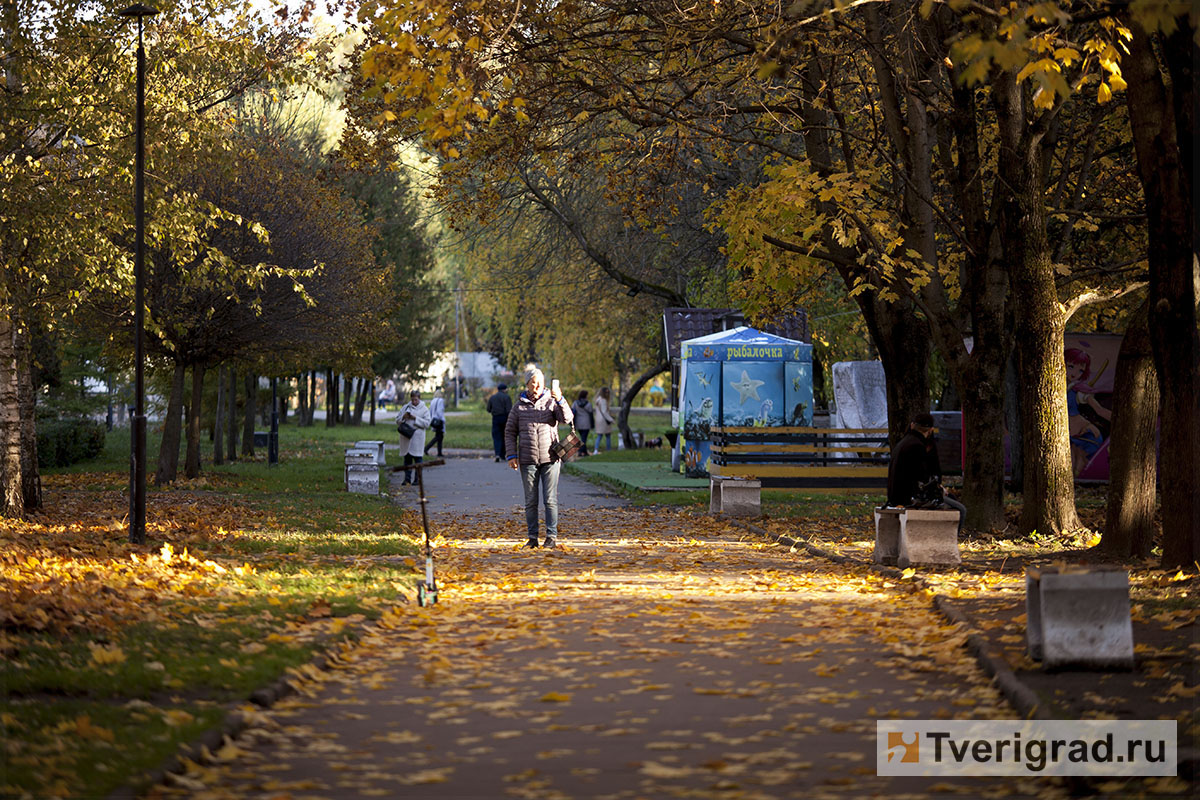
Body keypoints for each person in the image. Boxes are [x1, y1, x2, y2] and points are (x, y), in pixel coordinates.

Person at [505, 368, 572, 548]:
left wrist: (560, 399)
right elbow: (510, 431)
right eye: (532, 382)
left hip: (550, 458)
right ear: (527, 384)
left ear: (544, 383)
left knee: (550, 499)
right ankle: (532, 538)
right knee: (530, 501)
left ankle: (551, 536)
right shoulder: (519, 406)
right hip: (527, 460)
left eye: (539, 382)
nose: (536, 386)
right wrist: (511, 455)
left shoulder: (551, 401)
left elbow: (567, 418)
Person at [886, 412, 966, 533]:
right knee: (960, 509)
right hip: (908, 499)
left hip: (895, 496)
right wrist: (940, 490)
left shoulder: (903, 443)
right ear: (930, 430)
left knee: (951, 500)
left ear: (912, 425)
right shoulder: (917, 446)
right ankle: (949, 541)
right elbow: (922, 478)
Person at [397, 390, 432, 485]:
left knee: (418, 460)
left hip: (418, 438)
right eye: (412, 399)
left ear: (419, 399)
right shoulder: (405, 407)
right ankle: (407, 479)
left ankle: (417, 479)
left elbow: (427, 423)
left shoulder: (424, 409)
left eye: (416, 400)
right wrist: (403, 417)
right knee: (407, 460)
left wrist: (415, 418)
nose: (414, 402)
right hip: (406, 437)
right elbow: (397, 420)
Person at [486, 383, 513, 462]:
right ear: (505, 389)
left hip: (495, 418)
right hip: (505, 418)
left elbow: (488, 409)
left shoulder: (492, 397)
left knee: (496, 437)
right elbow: (509, 410)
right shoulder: (507, 397)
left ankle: (497, 454)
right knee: (505, 436)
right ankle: (503, 454)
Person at [592, 386, 615, 453]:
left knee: (599, 435)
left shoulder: (598, 399)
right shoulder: (604, 401)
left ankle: (596, 450)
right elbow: (604, 412)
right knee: (608, 435)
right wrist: (611, 419)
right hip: (604, 420)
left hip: (598, 419)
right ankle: (608, 450)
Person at [571, 390, 594, 456]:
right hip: (586, 422)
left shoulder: (575, 403)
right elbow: (591, 413)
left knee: (582, 437)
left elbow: (572, 410)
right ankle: (581, 451)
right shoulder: (588, 404)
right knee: (584, 438)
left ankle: (584, 451)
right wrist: (592, 424)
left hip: (578, 422)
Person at [424, 388, 446, 457]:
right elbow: (440, 411)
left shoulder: (433, 401)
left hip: (433, 420)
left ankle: (439, 452)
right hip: (439, 421)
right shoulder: (441, 401)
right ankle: (426, 448)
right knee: (438, 437)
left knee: (440, 436)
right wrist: (443, 420)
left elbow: (430, 411)